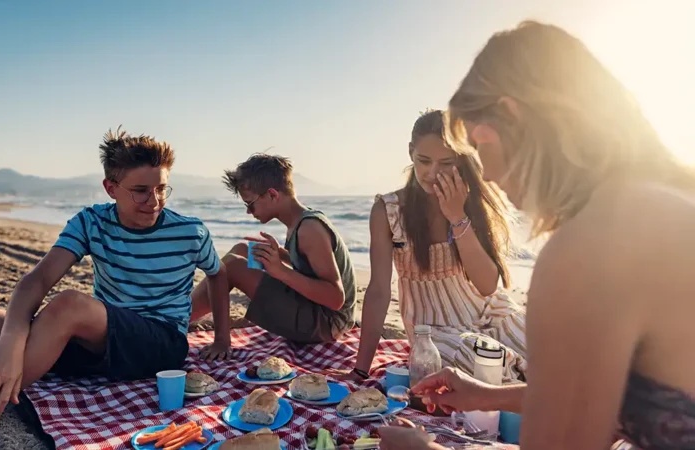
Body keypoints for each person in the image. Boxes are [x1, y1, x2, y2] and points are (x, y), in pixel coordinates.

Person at [380, 21, 695, 450]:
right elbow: (613, 400)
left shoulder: (591, 249)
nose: (485, 172)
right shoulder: (668, 202)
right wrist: (485, 395)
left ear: (512, 115)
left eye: (479, 146)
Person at [0, 127, 231, 449]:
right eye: (140, 190)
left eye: (161, 188)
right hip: (98, 344)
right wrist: (9, 345)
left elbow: (218, 274)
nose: (154, 201)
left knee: (68, 304)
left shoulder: (190, 232)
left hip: (158, 346)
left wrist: (222, 338)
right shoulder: (92, 221)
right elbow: (38, 279)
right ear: (110, 188)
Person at [336, 110, 527, 385]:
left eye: (446, 163)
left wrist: (457, 217)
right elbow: (378, 290)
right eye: (424, 161)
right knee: (488, 366)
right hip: (434, 331)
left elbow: (487, 286)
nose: (433, 172)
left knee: (543, 346)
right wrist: (360, 370)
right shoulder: (388, 211)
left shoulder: (468, 201)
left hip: (489, 313)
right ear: (411, 151)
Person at [192, 153, 357, 351]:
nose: (248, 212)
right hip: (317, 311)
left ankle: (214, 337)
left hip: (327, 324)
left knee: (233, 267)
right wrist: (282, 256)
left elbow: (335, 298)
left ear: (272, 194)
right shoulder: (300, 222)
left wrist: (281, 271)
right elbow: (310, 266)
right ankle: (182, 314)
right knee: (242, 250)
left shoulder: (309, 229)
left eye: (250, 204)